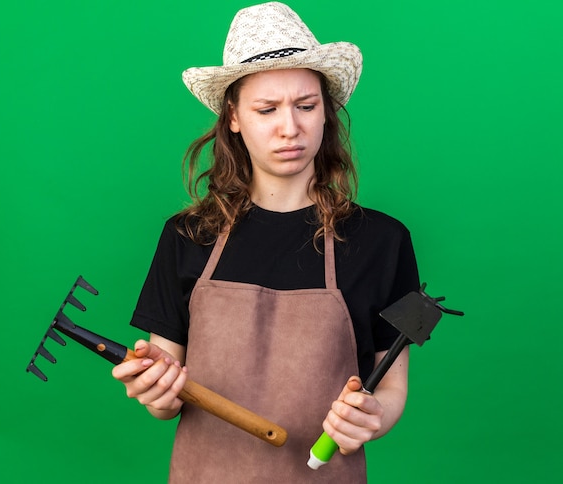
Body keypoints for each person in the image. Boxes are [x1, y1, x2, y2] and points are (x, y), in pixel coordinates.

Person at [112, 2, 419, 482]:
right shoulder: (187, 236)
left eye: (306, 105)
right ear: (233, 117)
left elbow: (391, 386)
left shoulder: (383, 240)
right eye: (266, 108)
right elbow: (165, 394)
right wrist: (156, 390)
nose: (289, 127)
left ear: (327, 114)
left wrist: (373, 417)